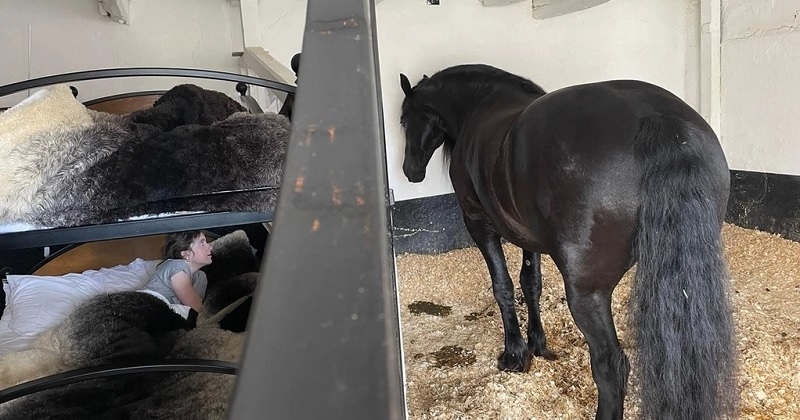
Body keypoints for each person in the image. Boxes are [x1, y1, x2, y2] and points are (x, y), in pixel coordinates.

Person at [142, 230, 213, 312]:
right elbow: (198, 309)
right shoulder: (177, 265)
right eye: (201, 243)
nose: (210, 247)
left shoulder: (200, 277)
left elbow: (196, 312)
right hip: (143, 308)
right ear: (186, 254)